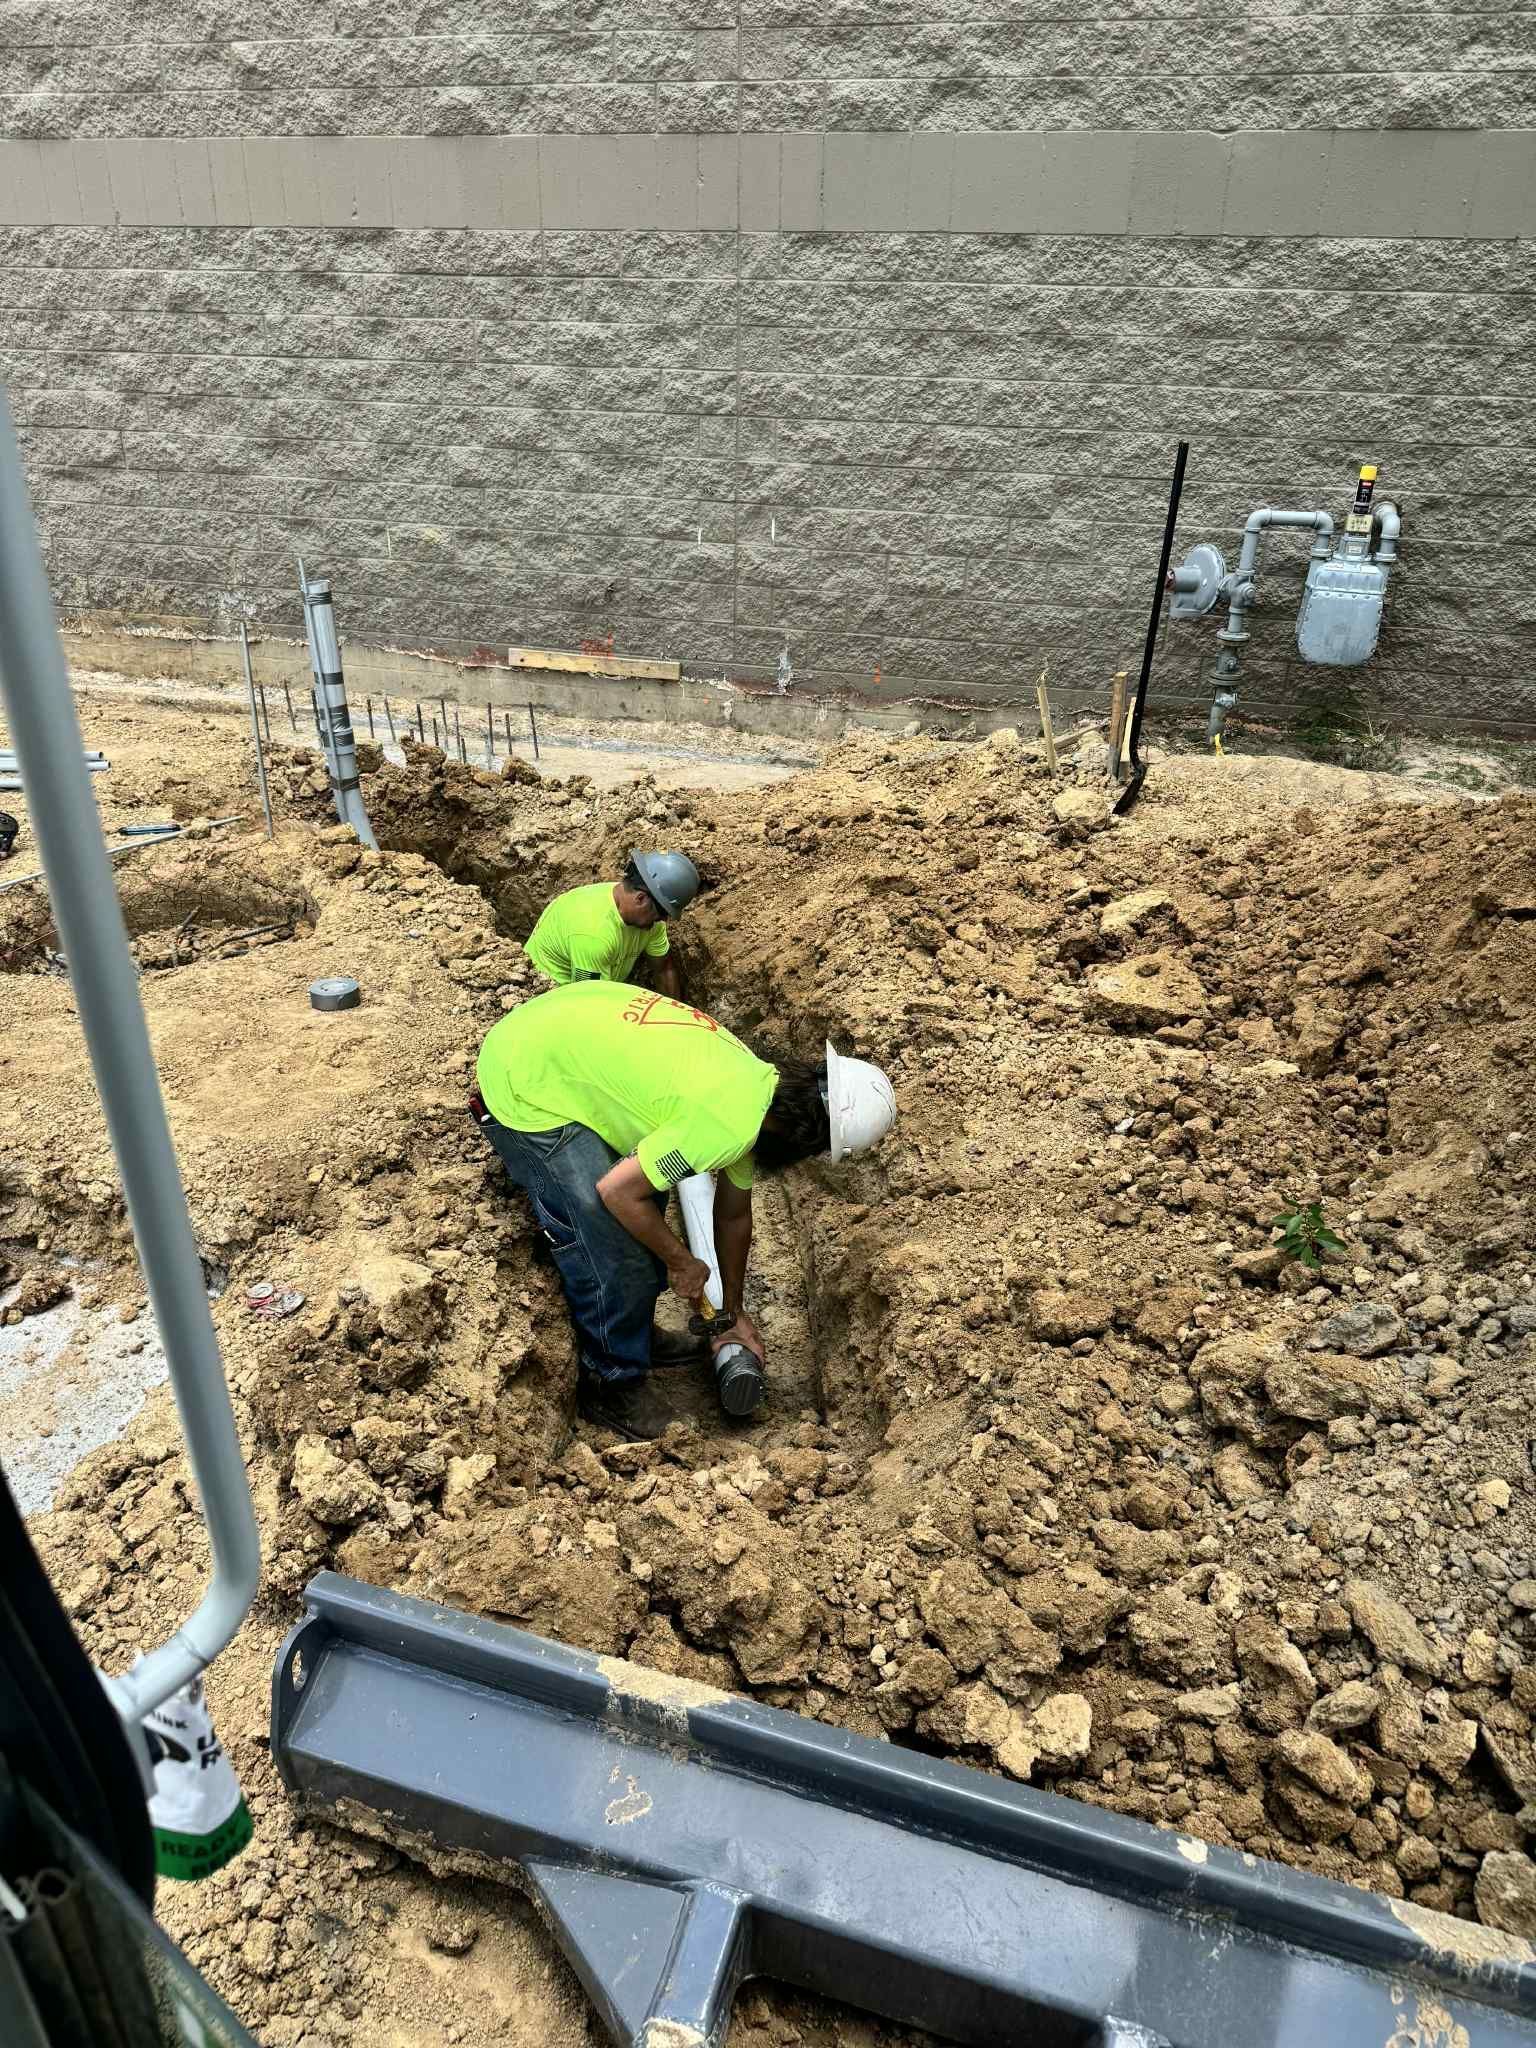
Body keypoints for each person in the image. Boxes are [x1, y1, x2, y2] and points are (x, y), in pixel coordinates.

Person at [475, 979, 896, 1441]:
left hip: (561, 1036)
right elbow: (616, 1192)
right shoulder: (725, 1125)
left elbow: (734, 1216)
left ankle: (633, 1331)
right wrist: (681, 1261)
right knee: (612, 1245)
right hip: (525, 1077)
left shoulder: (758, 1087)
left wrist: (732, 1310)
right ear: (805, 1138)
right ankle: (613, 1383)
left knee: (648, 1205)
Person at [523, 851, 700, 1000]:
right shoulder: (593, 934)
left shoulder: (650, 920)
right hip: (549, 997)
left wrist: (671, 1017)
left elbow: (663, 968)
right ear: (641, 899)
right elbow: (591, 1002)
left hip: (598, 988)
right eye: (662, 914)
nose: (663, 921)